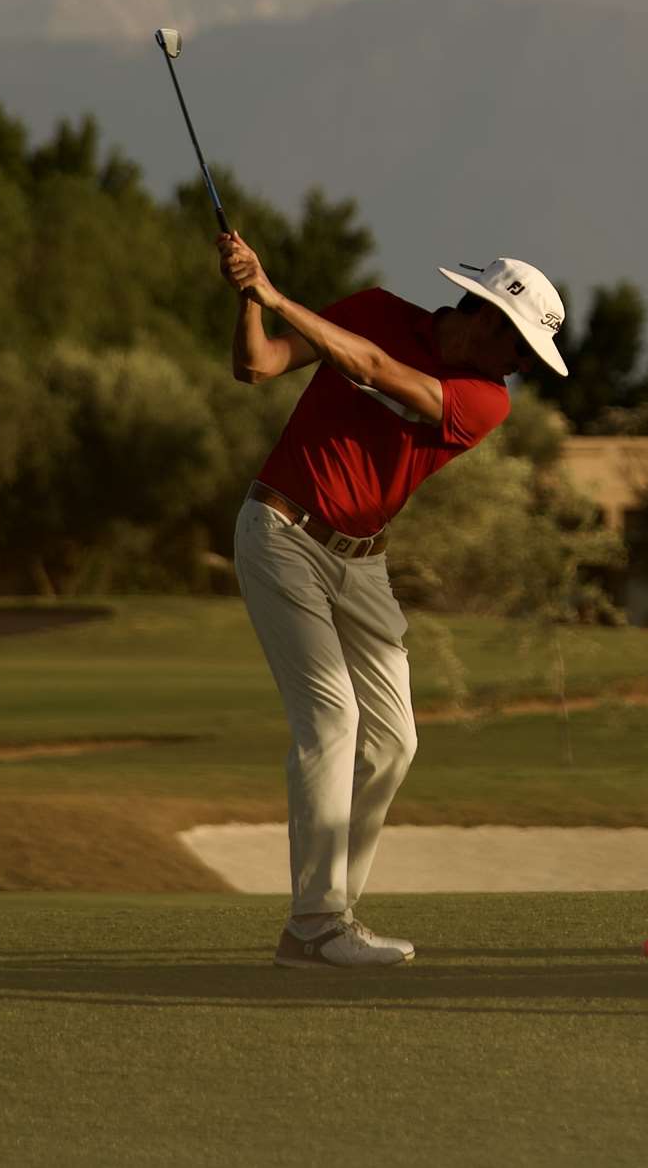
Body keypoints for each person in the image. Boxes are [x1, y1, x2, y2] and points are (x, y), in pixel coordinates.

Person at [220, 228, 569, 968]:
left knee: (394, 739)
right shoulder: (374, 307)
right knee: (332, 719)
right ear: (487, 320)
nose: (518, 368)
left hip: (363, 564)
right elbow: (257, 366)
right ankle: (315, 925)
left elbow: (375, 369)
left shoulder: (485, 401)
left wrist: (277, 292)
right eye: (518, 349)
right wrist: (250, 299)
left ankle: (332, 913)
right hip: (282, 530)